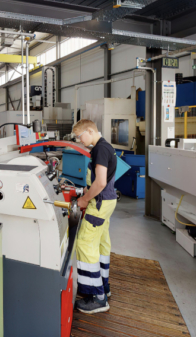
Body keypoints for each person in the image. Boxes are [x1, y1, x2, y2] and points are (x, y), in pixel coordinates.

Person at [72, 119, 117, 314]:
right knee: (101, 242)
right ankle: (104, 288)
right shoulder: (106, 146)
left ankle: (97, 298)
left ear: (90, 131)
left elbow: (99, 182)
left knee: (84, 243)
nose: (79, 140)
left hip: (98, 203)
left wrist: (84, 200)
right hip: (108, 202)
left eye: (80, 136)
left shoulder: (99, 149)